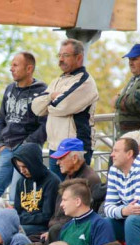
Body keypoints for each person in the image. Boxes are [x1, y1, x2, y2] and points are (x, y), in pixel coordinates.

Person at [32, 39, 98, 172]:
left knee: (74, 190)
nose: (61, 59)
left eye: (66, 55)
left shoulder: (85, 81)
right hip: (55, 148)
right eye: (59, 55)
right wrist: (51, 96)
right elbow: (36, 108)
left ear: (79, 57)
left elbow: (61, 105)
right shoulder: (57, 81)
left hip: (75, 149)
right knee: (58, 192)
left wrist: (49, 103)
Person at [0, 51, 47, 196]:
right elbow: (1, 118)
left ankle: (17, 219)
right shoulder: (9, 89)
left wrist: (28, 144)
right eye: (11, 65)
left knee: (18, 194)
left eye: (15, 65)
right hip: (7, 149)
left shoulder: (42, 92)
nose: (11, 69)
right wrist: (0, 143)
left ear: (29, 69)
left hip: (27, 150)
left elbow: (46, 124)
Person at [48, 179, 115, 245]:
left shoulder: (100, 225)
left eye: (64, 200)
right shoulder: (66, 228)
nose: (61, 204)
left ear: (78, 201)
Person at [11, 143, 59, 239]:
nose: (21, 171)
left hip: (42, 227)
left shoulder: (52, 181)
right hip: (24, 223)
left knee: (13, 233)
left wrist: (20, 219)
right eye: (19, 167)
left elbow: (47, 216)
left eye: (24, 167)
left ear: (34, 163)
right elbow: (17, 210)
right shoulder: (21, 182)